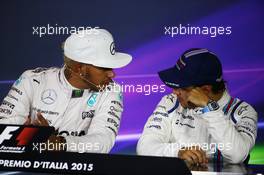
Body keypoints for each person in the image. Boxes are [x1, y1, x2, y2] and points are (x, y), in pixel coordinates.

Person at [0, 28, 132, 153]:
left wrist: (60, 143)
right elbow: (3, 131)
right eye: (104, 68)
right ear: (80, 68)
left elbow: (103, 141)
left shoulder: (112, 90)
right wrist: (34, 138)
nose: (112, 74)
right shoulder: (32, 80)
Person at [137, 48, 257, 164]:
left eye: (182, 87)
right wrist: (178, 152)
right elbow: (144, 147)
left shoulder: (244, 111)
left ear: (205, 90)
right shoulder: (170, 102)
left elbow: (237, 155)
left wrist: (209, 108)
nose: (174, 92)